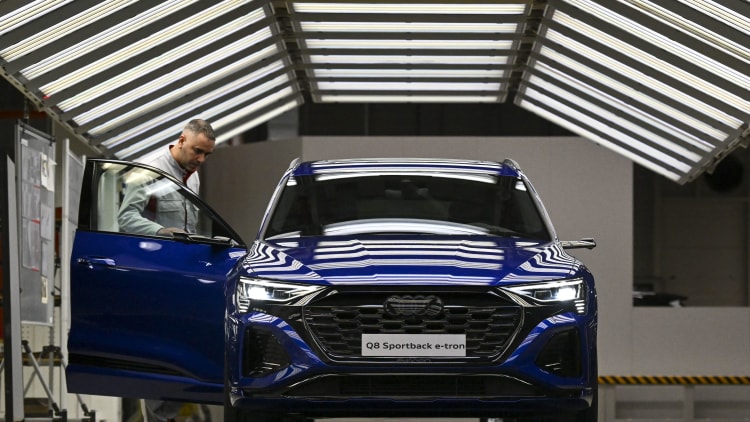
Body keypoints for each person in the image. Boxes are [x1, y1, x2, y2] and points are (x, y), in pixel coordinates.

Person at [118, 118, 216, 237]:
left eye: (206, 154)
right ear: (181, 141)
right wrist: (160, 231)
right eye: (198, 151)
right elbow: (126, 217)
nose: (201, 159)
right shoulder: (148, 170)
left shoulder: (193, 176)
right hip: (153, 247)